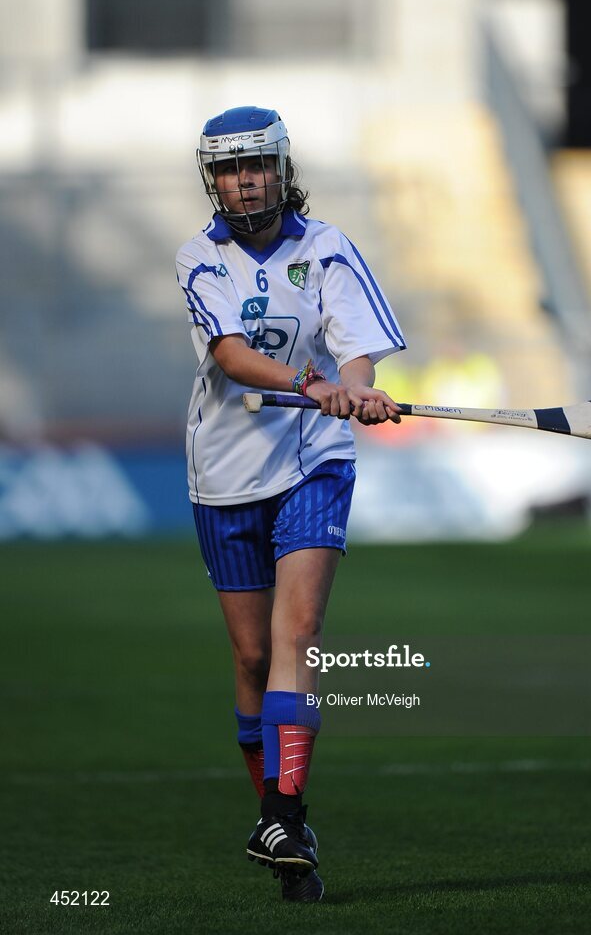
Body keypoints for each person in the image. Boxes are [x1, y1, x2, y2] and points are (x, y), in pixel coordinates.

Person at [176, 105, 405, 902]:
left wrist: (358, 394)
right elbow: (233, 357)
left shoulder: (327, 246)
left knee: (298, 632)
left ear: (280, 167)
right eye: (231, 169)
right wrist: (315, 385)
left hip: (313, 460)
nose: (246, 181)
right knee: (248, 658)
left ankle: (284, 809)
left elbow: (356, 351)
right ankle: (276, 824)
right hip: (225, 471)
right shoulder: (197, 258)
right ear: (214, 180)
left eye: (258, 165)